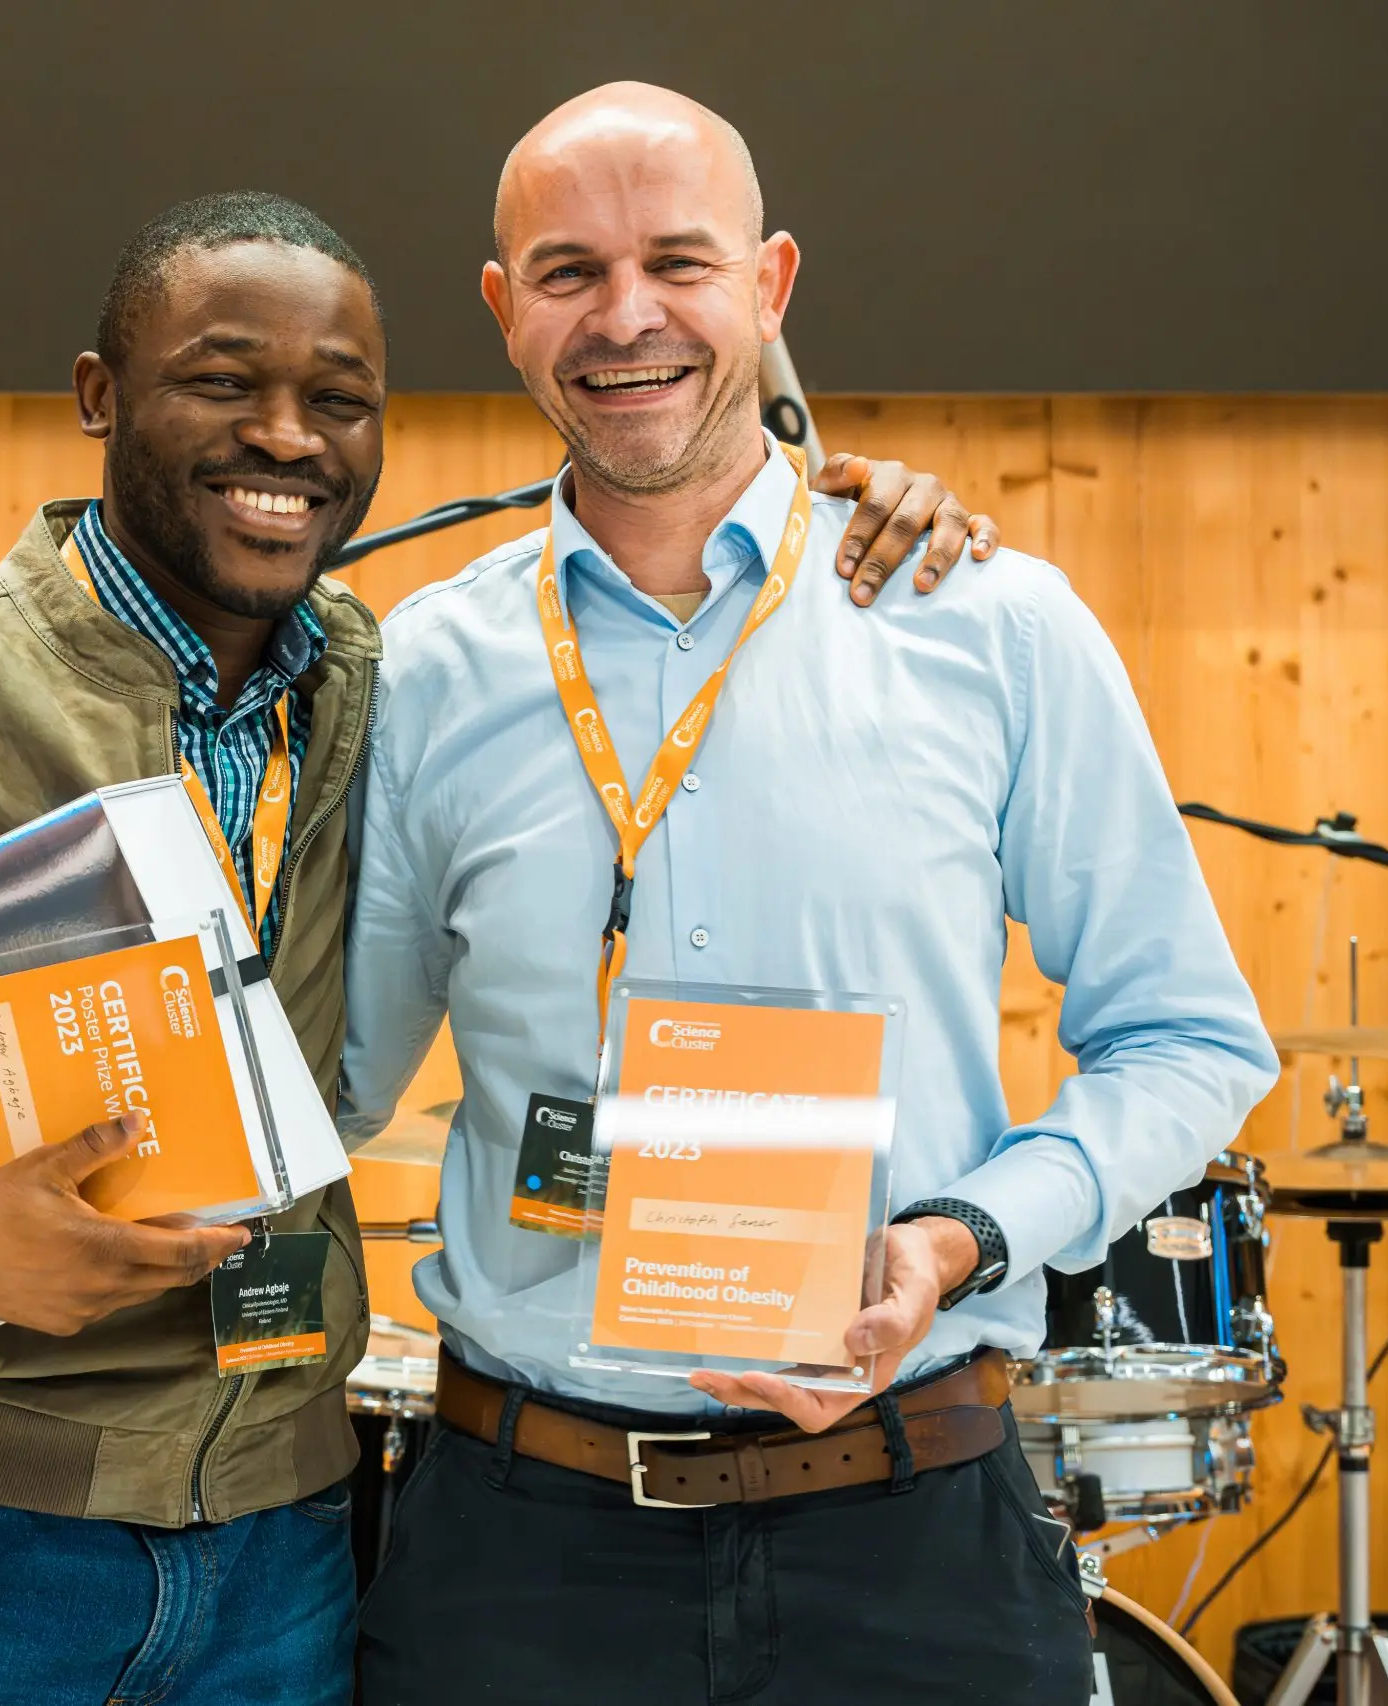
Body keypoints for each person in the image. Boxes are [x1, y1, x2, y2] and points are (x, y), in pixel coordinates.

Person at [0, 188, 997, 1704]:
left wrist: (863, 500)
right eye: (222, 380)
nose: (289, 437)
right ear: (97, 395)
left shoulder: (384, 683)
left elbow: (678, 522)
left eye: (341, 401)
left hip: (285, 1552)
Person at [338, 84, 1280, 1704]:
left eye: (678, 264)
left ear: (770, 286)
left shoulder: (987, 622)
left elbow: (1191, 1039)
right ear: (502, 314)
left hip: (917, 1538)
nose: (626, 316)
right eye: (567, 272)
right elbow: (332, 1076)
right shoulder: (424, 665)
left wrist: (962, 1238)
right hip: (523, 1559)